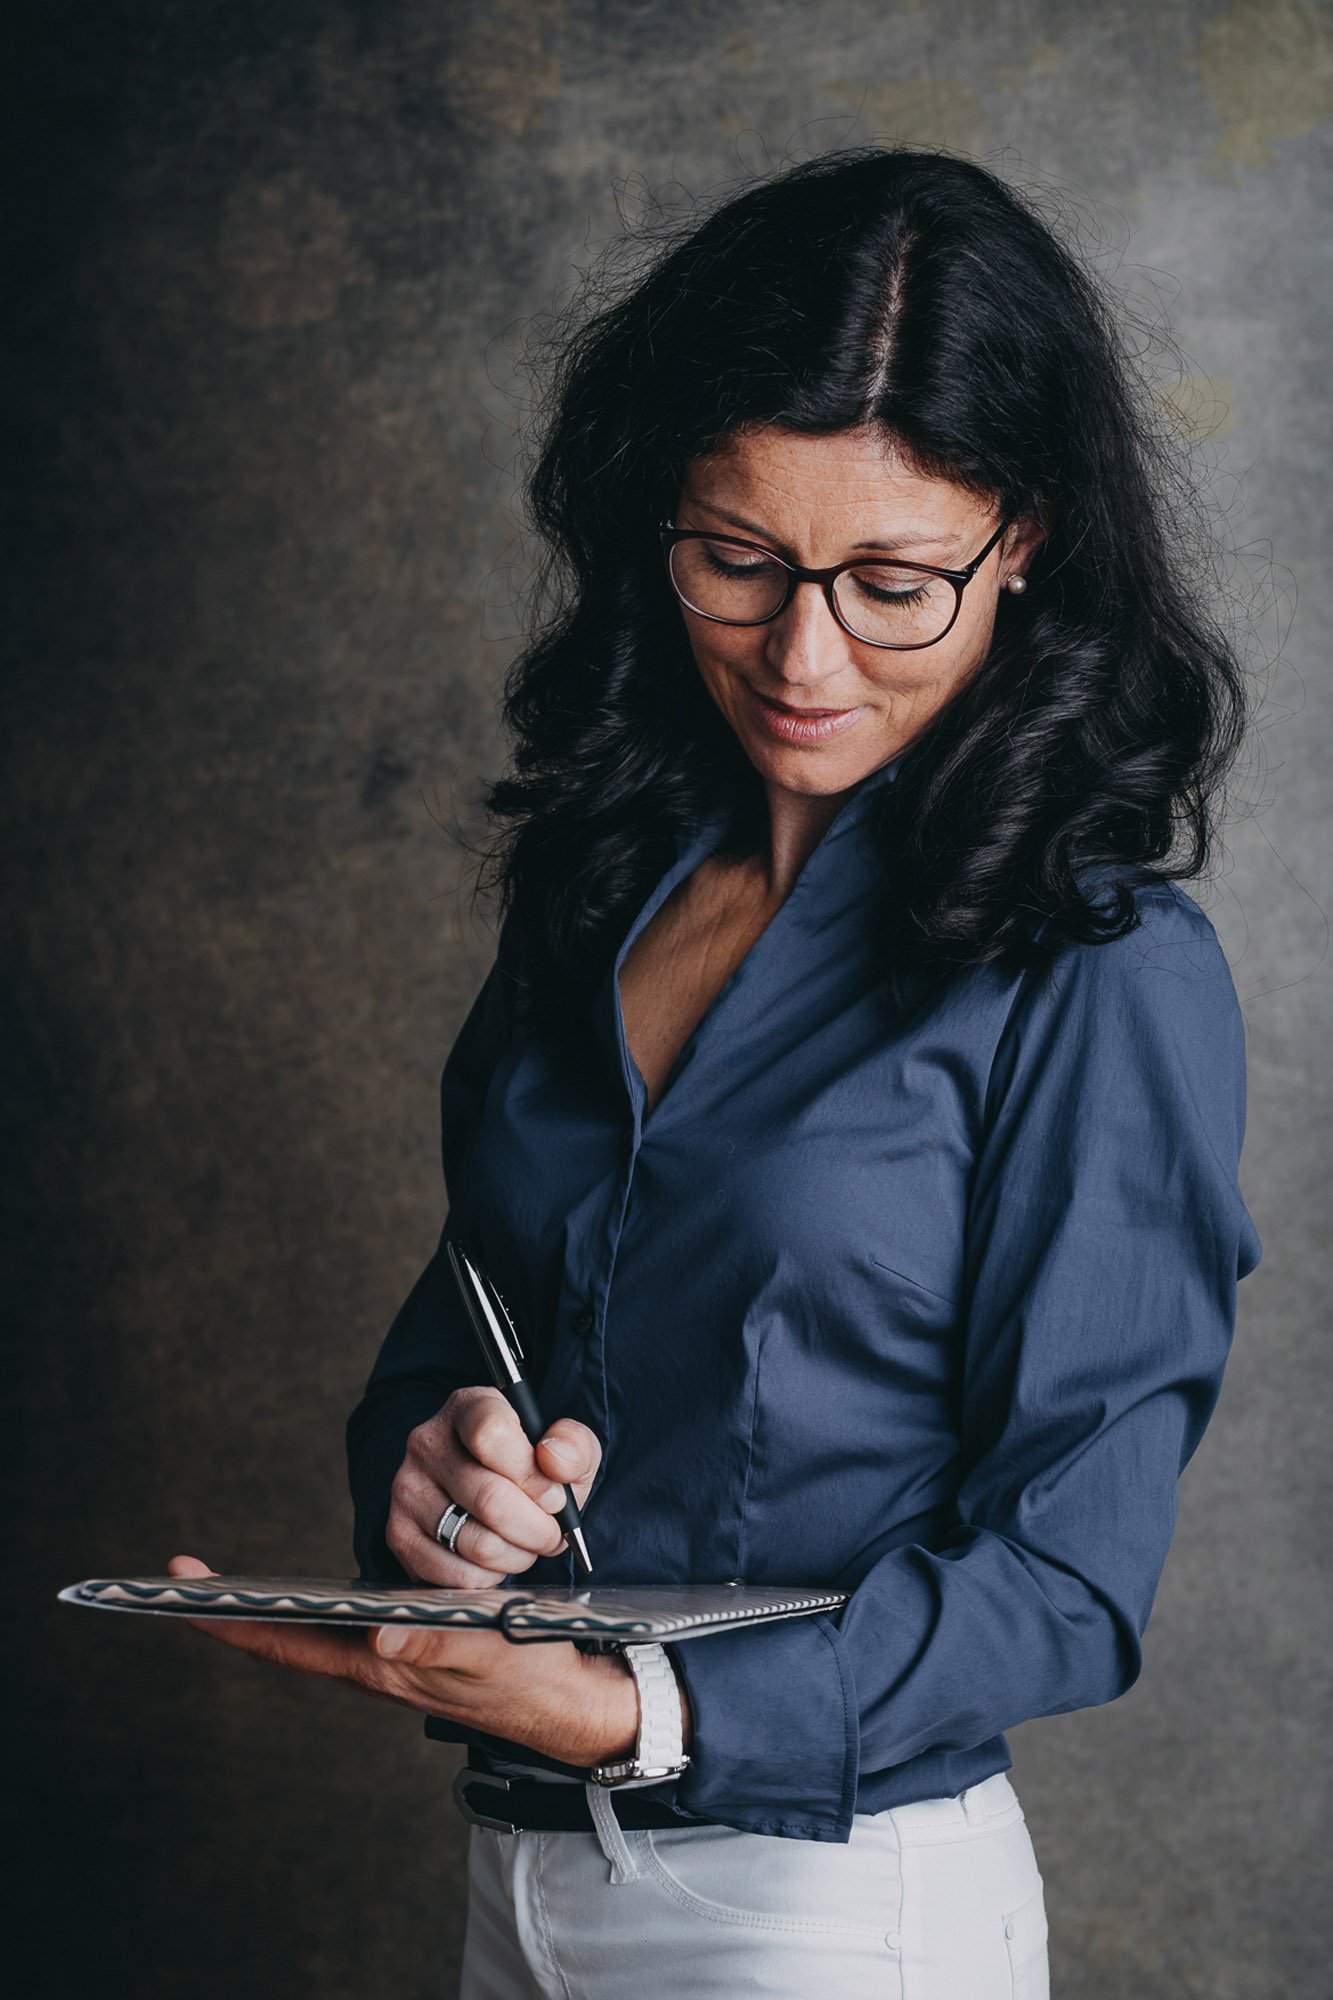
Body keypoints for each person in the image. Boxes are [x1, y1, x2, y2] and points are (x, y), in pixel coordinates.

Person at [168, 145, 1263, 1998]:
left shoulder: (1100, 974)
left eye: (893, 581)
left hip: (821, 1909)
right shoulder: (594, 889)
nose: (800, 653)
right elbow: (464, 1334)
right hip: (517, 1876)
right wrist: (440, 1483)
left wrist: (642, 1711)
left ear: (1026, 540)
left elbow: (1070, 1580)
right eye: (735, 559)